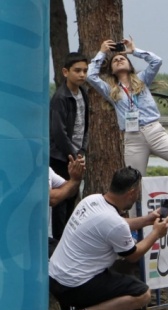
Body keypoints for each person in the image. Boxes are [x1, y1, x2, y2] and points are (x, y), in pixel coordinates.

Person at [49, 167, 168, 310]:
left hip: (56, 277)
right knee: (142, 294)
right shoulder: (114, 223)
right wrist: (156, 233)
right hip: (73, 285)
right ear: (132, 192)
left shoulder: (93, 200)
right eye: (138, 192)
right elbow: (133, 255)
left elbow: (116, 224)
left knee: (108, 275)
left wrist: (148, 220)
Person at [87, 38, 168, 176]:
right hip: (133, 139)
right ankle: (138, 198)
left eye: (122, 58)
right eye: (115, 61)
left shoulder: (142, 79)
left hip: (155, 133)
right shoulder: (111, 89)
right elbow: (90, 76)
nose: (119, 60)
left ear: (130, 65)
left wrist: (134, 51)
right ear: (111, 70)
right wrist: (102, 52)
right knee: (132, 180)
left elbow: (157, 61)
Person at [50, 52, 90, 239]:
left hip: (77, 155)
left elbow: (86, 126)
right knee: (60, 202)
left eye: (85, 70)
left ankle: (67, 239)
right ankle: (57, 241)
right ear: (66, 72)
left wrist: (82, 150)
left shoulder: (83, 93)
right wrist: (73, 154)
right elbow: (58, 132)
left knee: (72, 197)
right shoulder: (60, 97)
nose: (82, 74)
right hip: (61, 157)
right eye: (77, 71)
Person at [49, 156, 86, 255]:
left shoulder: (47, 170)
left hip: (42, 237)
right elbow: (51, 198)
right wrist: (73, 181)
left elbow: (70, 192)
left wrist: (76, 176)